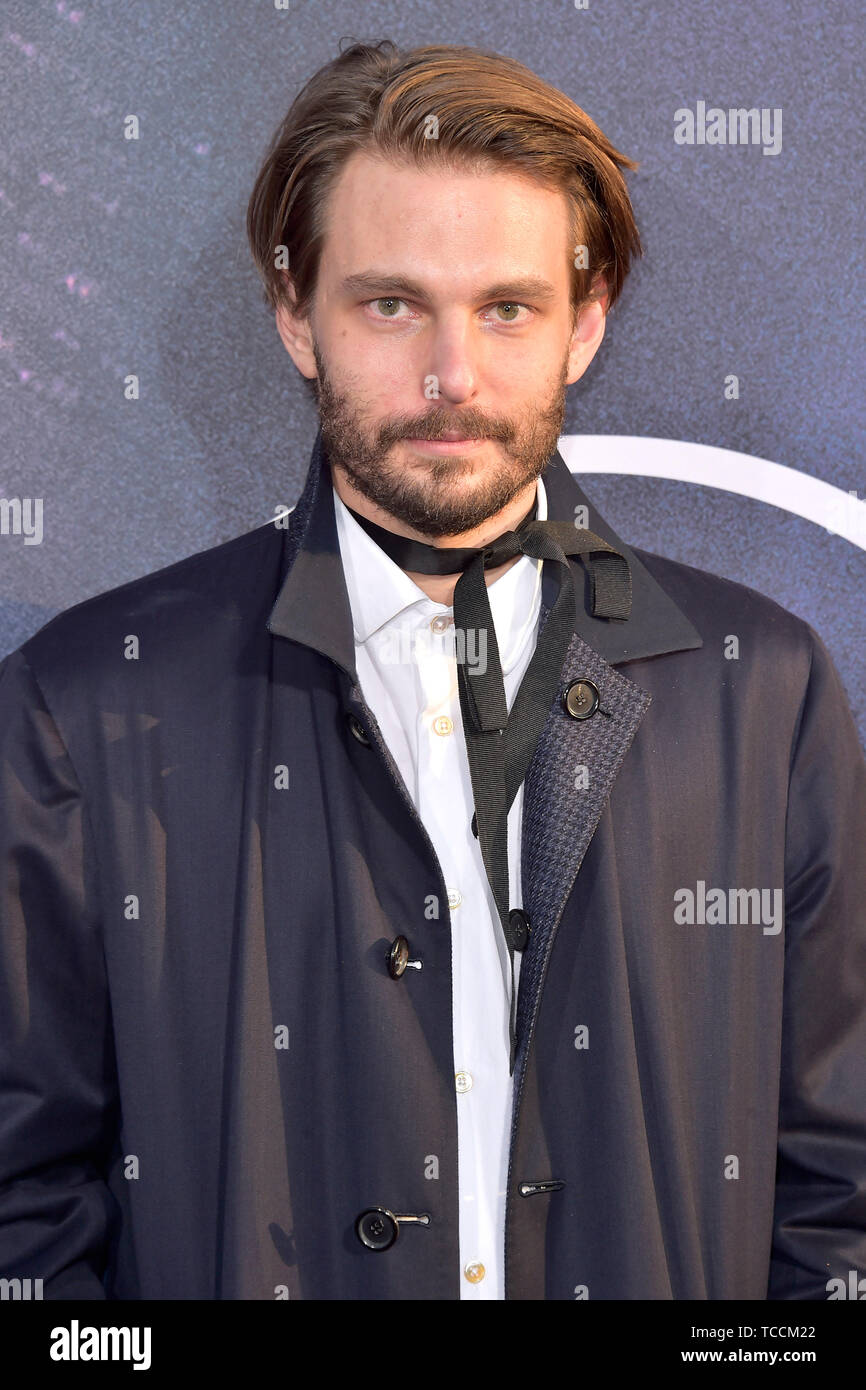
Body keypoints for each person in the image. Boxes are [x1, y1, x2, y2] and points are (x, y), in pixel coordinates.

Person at [0, 38, 864, 1302]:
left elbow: (832, 1187)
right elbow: (26, 1206)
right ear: (295, 314)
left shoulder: (761, 692)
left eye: (505, 307)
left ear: (587, 321)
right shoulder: (86, 705)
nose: (451, 378)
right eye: (389, 303)